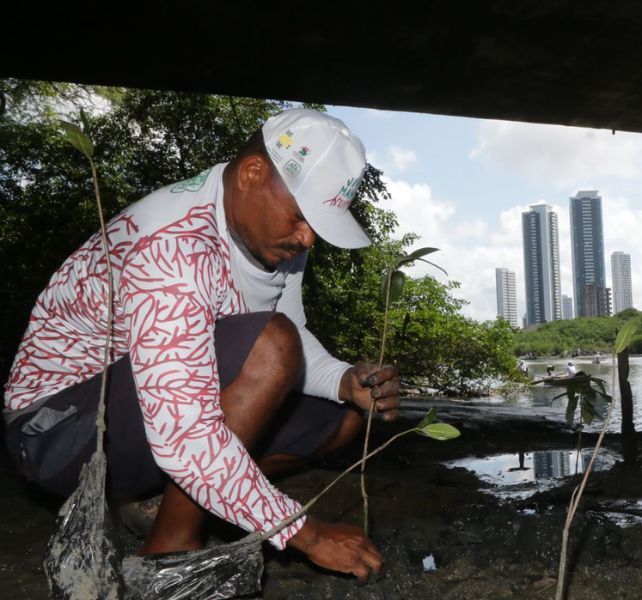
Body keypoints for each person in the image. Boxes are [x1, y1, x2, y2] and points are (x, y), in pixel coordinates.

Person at [2, 108, 398, 580]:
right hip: (54, 431)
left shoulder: (276, 238)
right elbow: (188, 435)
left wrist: (342, 381)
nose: (308, 237)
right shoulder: (172, 247)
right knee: (269, 346)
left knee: (342, 416)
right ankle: (169, 549)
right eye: (302, 216)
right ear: (253, 173)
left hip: (148, 416)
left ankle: (161, 501)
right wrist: (305, 534)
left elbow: (294, 337)